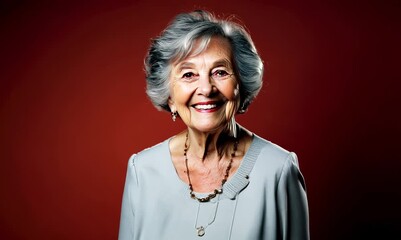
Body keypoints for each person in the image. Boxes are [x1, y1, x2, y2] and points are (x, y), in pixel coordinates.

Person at [118, 10, 309, 240]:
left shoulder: (278, 171)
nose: (207, 89)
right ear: (169, 95)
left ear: (240, 85)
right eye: (189, 74)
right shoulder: (143, 171)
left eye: (220, 72)